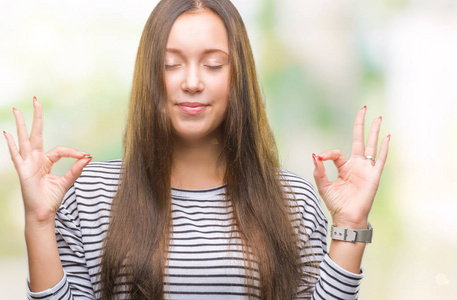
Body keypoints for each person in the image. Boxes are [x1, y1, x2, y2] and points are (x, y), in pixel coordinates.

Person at [4, 0, 390, 299]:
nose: (191, 82)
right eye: (172, 64)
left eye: (213, 65)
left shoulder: (293, 199)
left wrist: (351, 224)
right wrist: (39, 220)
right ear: (150, 75)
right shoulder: (88, 194)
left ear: (238, 76)